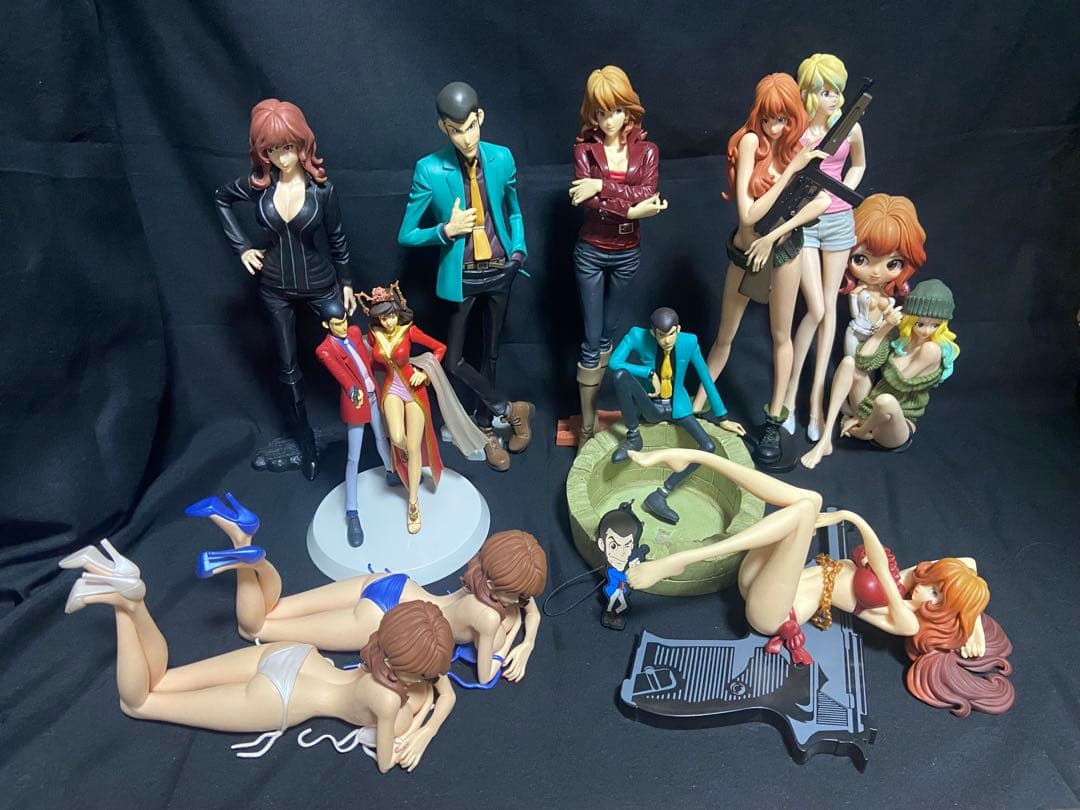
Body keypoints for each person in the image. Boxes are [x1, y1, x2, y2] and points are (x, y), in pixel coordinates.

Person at [625, 448, 1014, 716]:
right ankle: (696, 458)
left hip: (776, 611)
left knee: (806, 509)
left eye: (937, 594)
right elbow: (968, 563)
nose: (927, 586)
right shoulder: (915, 580)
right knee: (808, 501)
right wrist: (973, 624)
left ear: (942, 610)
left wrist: (852, 519)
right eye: (936, 584)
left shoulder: (907, 620)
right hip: (766, 579)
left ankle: (677, 561)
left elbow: (880, 567)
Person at [59, 541, 457, 773]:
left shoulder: (396, 656)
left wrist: (426, 717)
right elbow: (386, 762)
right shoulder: (391, 698)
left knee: (169, 677)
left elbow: (446, 690)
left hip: (299, 657)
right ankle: (124, 607)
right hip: (282, 699)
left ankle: (135, 596)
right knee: (140, 702)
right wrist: (421, 730)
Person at [186, 496, 547, 686]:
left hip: (396, 585)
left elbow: (529, 605)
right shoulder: (487, 616)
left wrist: (527, 638)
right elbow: (486, 674)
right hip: (387, 620)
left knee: (276, 607)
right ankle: (246, 555)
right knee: (256, 627)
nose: (523, 601)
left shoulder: (483, 575)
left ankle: (246, 538)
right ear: (503, 587)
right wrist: (513, 643)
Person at [691, 74, 831, 466]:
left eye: (783, 119)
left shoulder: (799, 147)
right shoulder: (751, 142)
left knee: (781, 336)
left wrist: (776, 236)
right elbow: (748, 213)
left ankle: (773, 422)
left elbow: (821, 203)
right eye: (769, 118)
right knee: (725, 336)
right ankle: (697, 408)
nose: (775, 127)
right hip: (745, 250)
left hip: (783, 250)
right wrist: (790, 172)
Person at [215, 99, 355, 480]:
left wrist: (346, 283)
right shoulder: (258, 188)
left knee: (349, 347)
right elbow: (221, 198)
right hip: (275, 286)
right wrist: (242, 247)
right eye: (272, 150)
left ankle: (367, 415)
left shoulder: (322, 191)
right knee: (288, 367)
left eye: (288, 147)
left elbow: (337, 238)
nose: (282, 157)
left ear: (302, 143)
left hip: (320, 282)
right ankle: (305, 441)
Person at [398, 81, 534, 471]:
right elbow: (406, 233)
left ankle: (485, 425)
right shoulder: (429, 169)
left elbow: (513, 210)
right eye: (456, 131)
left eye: (471, 126)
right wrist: (445, 230)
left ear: (481, 118)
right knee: (454, 360)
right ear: (444, 128)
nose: (466, 137)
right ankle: (511, 409)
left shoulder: (501, 157)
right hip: (463, 275)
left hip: (501, 268)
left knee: (491, 352)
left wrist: (518, 251)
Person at [568, 66, 667, 444]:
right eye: (601, 112)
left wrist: (602, 185)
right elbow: (587, 201)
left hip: (627, 253)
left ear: (628, 110)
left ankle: (603, 409)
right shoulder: (584, 150)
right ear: (592, 114)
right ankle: (587, 425)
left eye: (616, 110)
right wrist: (630, 208)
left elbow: (648, 192)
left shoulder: (648, 151)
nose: (609, 120)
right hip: (592, 251)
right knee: (592, 338)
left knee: (610, 332)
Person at [781, 54, 868, 442]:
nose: (831, 98)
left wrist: (844, 191)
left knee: (830, 308)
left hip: (839, 221)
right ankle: (788, 398)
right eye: (823, 91)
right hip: (804, 221)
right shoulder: (797, 133)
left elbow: (859, 164)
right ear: (807, 93)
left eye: (835, 91)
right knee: (814, 308)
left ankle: (815, 401)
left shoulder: (850, 129)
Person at [801, 278, 958, 469]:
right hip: (871, 409)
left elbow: (896, 383)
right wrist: (885, 328)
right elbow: (864, 360)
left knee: (886, 401)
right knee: (849, 363)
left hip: (897, 424)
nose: (926, 331)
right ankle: (826, 439)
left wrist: (861, 428)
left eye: (935, 325)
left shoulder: (931, 349)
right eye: (920, 324)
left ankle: (862, 431)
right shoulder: (900, 336)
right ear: (910, 319)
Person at [608, 307, 744, 524]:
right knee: (620, 375)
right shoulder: (636, 336)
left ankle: (661, 494)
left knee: (708, 447)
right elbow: (614, 363)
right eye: (662, 336)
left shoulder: (689, 342)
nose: (667, 341)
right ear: (653, 332)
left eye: (672, 334)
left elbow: (706, 379)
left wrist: (723, 417)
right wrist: (648, 373)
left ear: (678, 330)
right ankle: (633, 438)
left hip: (677, 407)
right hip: (651, 406)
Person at [315, 300, 399, 547]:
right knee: (354, 457)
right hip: (356, 402)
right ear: (326, 325)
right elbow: (340, 373)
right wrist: (353, 390)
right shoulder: (324, 349)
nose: (343, 327)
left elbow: (369, 352)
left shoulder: (353, 332)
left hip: (373, 394)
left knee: (382, 437)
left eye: (344, 321)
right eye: (336, 324)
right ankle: (352, 512)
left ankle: (391, 472)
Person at [595, 502, 647, 631]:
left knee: (622, 605)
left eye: (627, 546)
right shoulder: (612, 570)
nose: (621, 553)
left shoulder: (628, 560)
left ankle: (613, 613)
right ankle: (610, 613)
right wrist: (630, 570)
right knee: (615, 601)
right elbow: (621, 578)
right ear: (602, 545)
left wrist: (634, 564)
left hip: (621, 591)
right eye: (614, 546)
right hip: (615, 590)